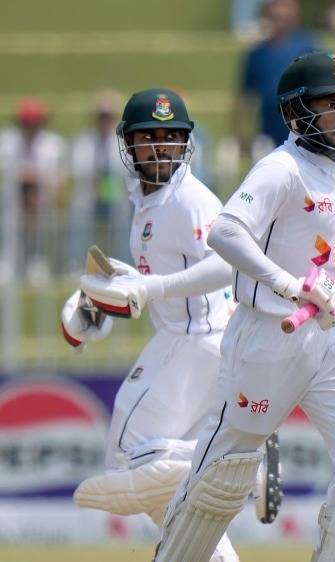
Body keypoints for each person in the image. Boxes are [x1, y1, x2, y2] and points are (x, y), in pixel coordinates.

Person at [154, 53, 335, 562]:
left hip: (333, 334)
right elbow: (225, 232)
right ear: (298, 113)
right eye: (331, 104)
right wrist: (294, 286)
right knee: (221, 482)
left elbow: (330, 254)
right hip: (267, 339)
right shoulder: (279, 170)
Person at [64, 89, 240, 561]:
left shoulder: (191, 200)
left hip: (200, 337)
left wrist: (151, 288)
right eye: (149, 138)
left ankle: (223, 463)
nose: (161, 147)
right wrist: (105, 295)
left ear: (186, 144)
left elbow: (228, 266)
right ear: (128, 145)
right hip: (188, 337)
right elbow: (153, 278)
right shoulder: (146, 199)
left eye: (171, 137)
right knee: (142, 467)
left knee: (126, 451)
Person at [235, 0, 317, 152]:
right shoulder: (257, 54)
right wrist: (239, 133)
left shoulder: (307, 47)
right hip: (268, 131)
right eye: (275, 16)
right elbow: (244, 97)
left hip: (304, 128)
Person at [0, 97, 66, 283]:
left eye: (34, 123)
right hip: (15, 197)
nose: (30, 127)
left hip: (42, 198)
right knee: (11, 226)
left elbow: (58, 177)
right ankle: (9, 263)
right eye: (27, 123)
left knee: (41, 229)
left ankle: (37, 264)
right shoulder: (7, 142)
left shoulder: (52, 145)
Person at [68, 91, 130, 268]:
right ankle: (76, 263)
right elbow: (77, 169)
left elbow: (126, 170)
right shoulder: (83, 141)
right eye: (101, 116)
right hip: (89, 194)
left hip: (115, 196)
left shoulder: (121, 141)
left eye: (108, 116)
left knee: (121, 225)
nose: (104, 120)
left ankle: (122, 265)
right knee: (79, 220)